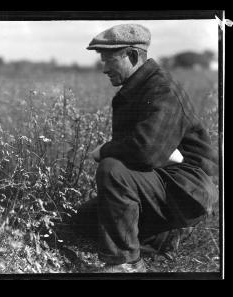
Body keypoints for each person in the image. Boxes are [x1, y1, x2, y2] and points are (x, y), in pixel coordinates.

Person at [83, 24, 219, 273]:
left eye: (109, 61)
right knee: (78, 225)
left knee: (111, 168)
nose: (104, 69)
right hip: (166, 183)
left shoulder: (161, 89)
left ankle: (126, 262)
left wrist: (103, 150)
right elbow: (142, 160)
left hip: (189, 189)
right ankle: (159, 237)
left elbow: (145, 152)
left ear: (133, 56)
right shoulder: (140, 87)